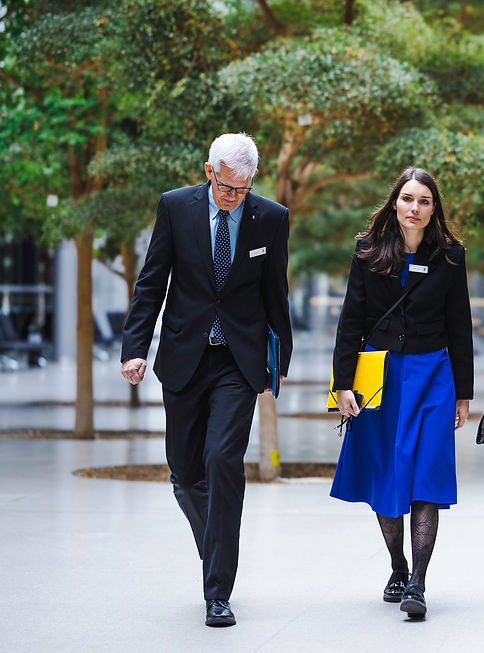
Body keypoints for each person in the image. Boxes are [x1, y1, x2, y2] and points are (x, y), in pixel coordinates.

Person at [120, 133, 292, 627]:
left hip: (238, 362)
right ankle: (215, 543)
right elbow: (152, 280)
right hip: (184, 357)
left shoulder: (271, 217)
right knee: (184, 472)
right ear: (209, 170)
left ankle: (218, 590)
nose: (232, 196)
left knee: (222, 461)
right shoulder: (176, 207)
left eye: (242, 188)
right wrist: (135, 348)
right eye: (225, 186)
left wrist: (279, 361)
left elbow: (275, 291)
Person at [330, 167, 473, 619]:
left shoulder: (450, 256)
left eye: (424, 201)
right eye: (408, 198)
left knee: (427, 474)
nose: (415, 207)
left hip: (434, 376)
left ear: (434, 209)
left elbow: (460, 326)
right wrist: (342, 385)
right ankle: (397, 566)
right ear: (396, 202)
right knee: (387, 473)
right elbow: (350, 321)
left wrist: (464, 392)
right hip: (381, 376)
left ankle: (418, 584)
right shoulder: (368, 251)